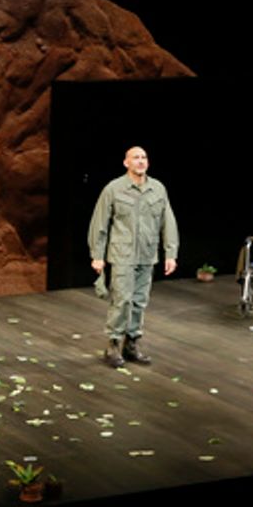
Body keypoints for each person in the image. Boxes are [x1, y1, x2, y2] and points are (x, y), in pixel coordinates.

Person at [88, 146, 178, 368]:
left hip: (147, 255)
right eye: (136, 158)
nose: (140, 161)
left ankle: (131, 344)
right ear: (126, 163)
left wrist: (171, 253)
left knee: (139, 302)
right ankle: (113, 344)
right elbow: (99, 223)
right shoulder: (114, 189)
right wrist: (97, 255)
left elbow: (168, 222)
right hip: (122, 255)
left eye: (144, 157)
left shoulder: (157, 189)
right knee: (122, 300)